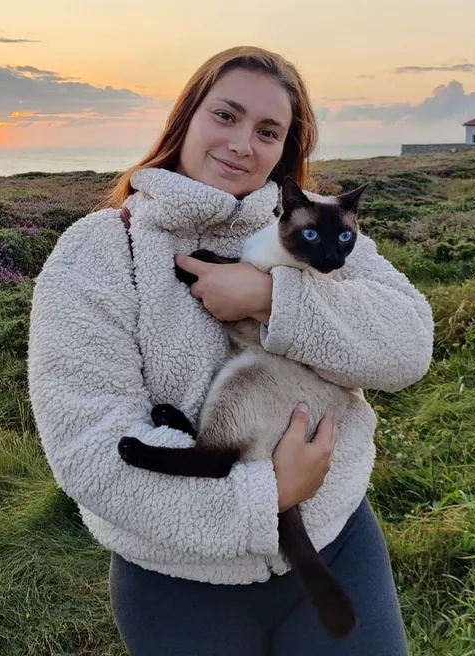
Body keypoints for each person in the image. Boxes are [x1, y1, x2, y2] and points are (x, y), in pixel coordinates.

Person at [27, 46, 434, 655]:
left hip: (336, 540)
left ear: (285, 147)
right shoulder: (98, 252)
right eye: (225, 115)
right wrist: (266, 495)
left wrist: (275, 299)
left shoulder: (312, 230)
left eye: (268, 130)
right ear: (186, 116)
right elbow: (86, 448)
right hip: (180, 584)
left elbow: (409, 347)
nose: (243, 143)